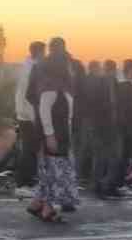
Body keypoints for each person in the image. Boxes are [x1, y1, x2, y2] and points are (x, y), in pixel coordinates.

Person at [27, 37, 79, 222]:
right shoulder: (52, 86)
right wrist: (49, 134)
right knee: (54, 171)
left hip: (57, 133)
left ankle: (38, 204)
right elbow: (44, 109)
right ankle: (48, 208)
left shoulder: (56, 83)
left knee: (49, 170)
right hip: (54, 135)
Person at [14, 41, 45, 194]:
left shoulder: (26, 66)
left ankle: (28, 183)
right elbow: (29, 95)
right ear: (38, 53)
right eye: (43, 53)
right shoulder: (31, 68)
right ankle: (23, 185)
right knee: (29, 150)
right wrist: (35, 117)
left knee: (30, 150)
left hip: (24, 113)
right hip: (28, 115)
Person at [92, 59, 122, 198]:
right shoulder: (110, 81)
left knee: (100, 157)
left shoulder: (97, 81)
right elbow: (113, 103)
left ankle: (98, 185)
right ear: (113, 69)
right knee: (113, 156)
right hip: (109, 126)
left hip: (99, 124)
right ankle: (107, 186)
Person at [116, 59, 132, 187]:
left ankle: (119, 182)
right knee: (123, 156)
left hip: (123, 127)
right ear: (130, 70)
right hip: (127, 128)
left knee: (122, 156)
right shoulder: (128, 88)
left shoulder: (120, 86)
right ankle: (118, 182)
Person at [76, 60, 103, 185]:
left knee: (83, 147)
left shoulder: (84, 80)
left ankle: (79, 174)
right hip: (92, 118)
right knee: (92, 148)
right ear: (95, 69)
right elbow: (96, 100)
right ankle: (87, 176)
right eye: (99, 69)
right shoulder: (95, 81)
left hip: (84, 117)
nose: (100, 71)